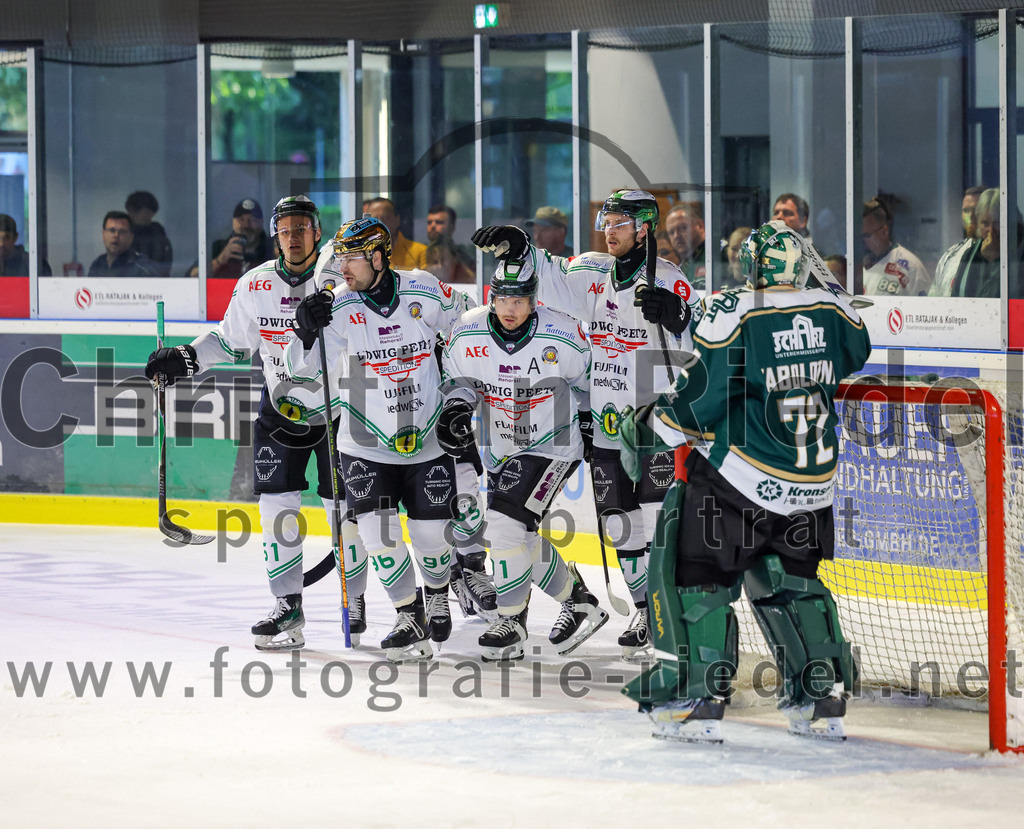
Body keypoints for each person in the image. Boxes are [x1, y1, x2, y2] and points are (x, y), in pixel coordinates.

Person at [619, 220, 871, 743]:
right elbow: (856, 345)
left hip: (740, 483)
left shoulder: (735, 308)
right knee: (793, 584)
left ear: (750, 263)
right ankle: (820, 697)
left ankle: (696, 697)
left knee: (697, 578)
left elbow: (700, 398)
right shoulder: (835, 313)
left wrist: (647, 424)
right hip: (811, 488)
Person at [472, 188, 698, 662]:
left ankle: (671, 613)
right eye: (606, 221)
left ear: (643, 229)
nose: (609, 230)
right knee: (619, 526)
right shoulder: (590, 269)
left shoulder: (670, 278)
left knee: (658, 522)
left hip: (654, 423)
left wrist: (677, 318)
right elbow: (546, 273)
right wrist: (519, 244)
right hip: (602, 421)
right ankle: (644, 610)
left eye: (619, 223)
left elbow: (694, 336)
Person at [145, 196, 370, 652]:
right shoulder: (255, 284)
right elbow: (230, 343)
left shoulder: (342, 278)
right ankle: (287, 604)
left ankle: (357, 599)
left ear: (316, 231)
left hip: (339, 413)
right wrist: (185, 358)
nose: (293, 236)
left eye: (302, 227)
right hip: (279, 412)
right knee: (276, 511)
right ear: (274, 235)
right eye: (285, 228)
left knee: (342, 516)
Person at [286, 216, 473, 663]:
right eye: (341, 257)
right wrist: (305, 332)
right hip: (362, 443)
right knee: (378, 538)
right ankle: (409, 615)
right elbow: (301, 370)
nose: (342, 267)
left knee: (431, 539)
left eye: (352, 258)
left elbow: (469, 320)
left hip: (426, 439)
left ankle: (436, 592)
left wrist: (461, 392)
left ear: (376, 256)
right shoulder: (338, 308)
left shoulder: (424, 289)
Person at [439, 257, 607, 662]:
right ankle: (579, 601)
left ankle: (511, 622)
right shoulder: (467, 332)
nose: (511, 309)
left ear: (535, 301)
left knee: (503, 522)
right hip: (500, 449)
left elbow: (589, 384)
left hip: (553, 444)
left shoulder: (562, 333)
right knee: (522, 539)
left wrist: (592, 426)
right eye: (504, 299)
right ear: (491, 298)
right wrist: (458, 409)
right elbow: (460, 384)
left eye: (521, 300)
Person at [933, 188, 1024, 298]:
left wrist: (995, 260)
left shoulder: (1020, 253)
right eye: (985, 223)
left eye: (998, 223)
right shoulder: (970, 254)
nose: (991, 230)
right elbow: (956, 298)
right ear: (978, 223)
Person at [188, 199, 275, 280]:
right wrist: (220, 260)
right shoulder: (219, 247)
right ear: (233, 222)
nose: (246, 225)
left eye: (253, 220)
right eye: (241, 220)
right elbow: (192, 276)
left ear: (261, 222)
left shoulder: (271, 249)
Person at [861, 197, 931, 296]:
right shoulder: (850, 265)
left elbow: (925, 308)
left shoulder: (911, 267)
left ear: (884, 231)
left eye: (866, 236)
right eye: (856, 237)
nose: (861, 243)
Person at [87, 211, 161, 277]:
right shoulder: (98, 264)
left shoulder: (142, 267)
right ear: (103, 234)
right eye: (112, 230)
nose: (116, 235)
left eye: (122, 231)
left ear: (131, 237)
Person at [365, 197, 427, 270]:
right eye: (374, 220)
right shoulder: (361, 253)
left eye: (385, 218)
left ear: (397, 220)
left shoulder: (420, 251)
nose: (379, 224)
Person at [125, 191, 173, 277]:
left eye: (136, 210)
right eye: (129, 211)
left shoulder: (160, 241)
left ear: (150, 212)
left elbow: (162, 272)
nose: (131, 215)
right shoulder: (124, 237)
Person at [664, 202, 706, 290]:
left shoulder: (719, 253)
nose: (676, 236)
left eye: (683, 228)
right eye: (671, 232)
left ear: (700, 226)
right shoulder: (680, 269)